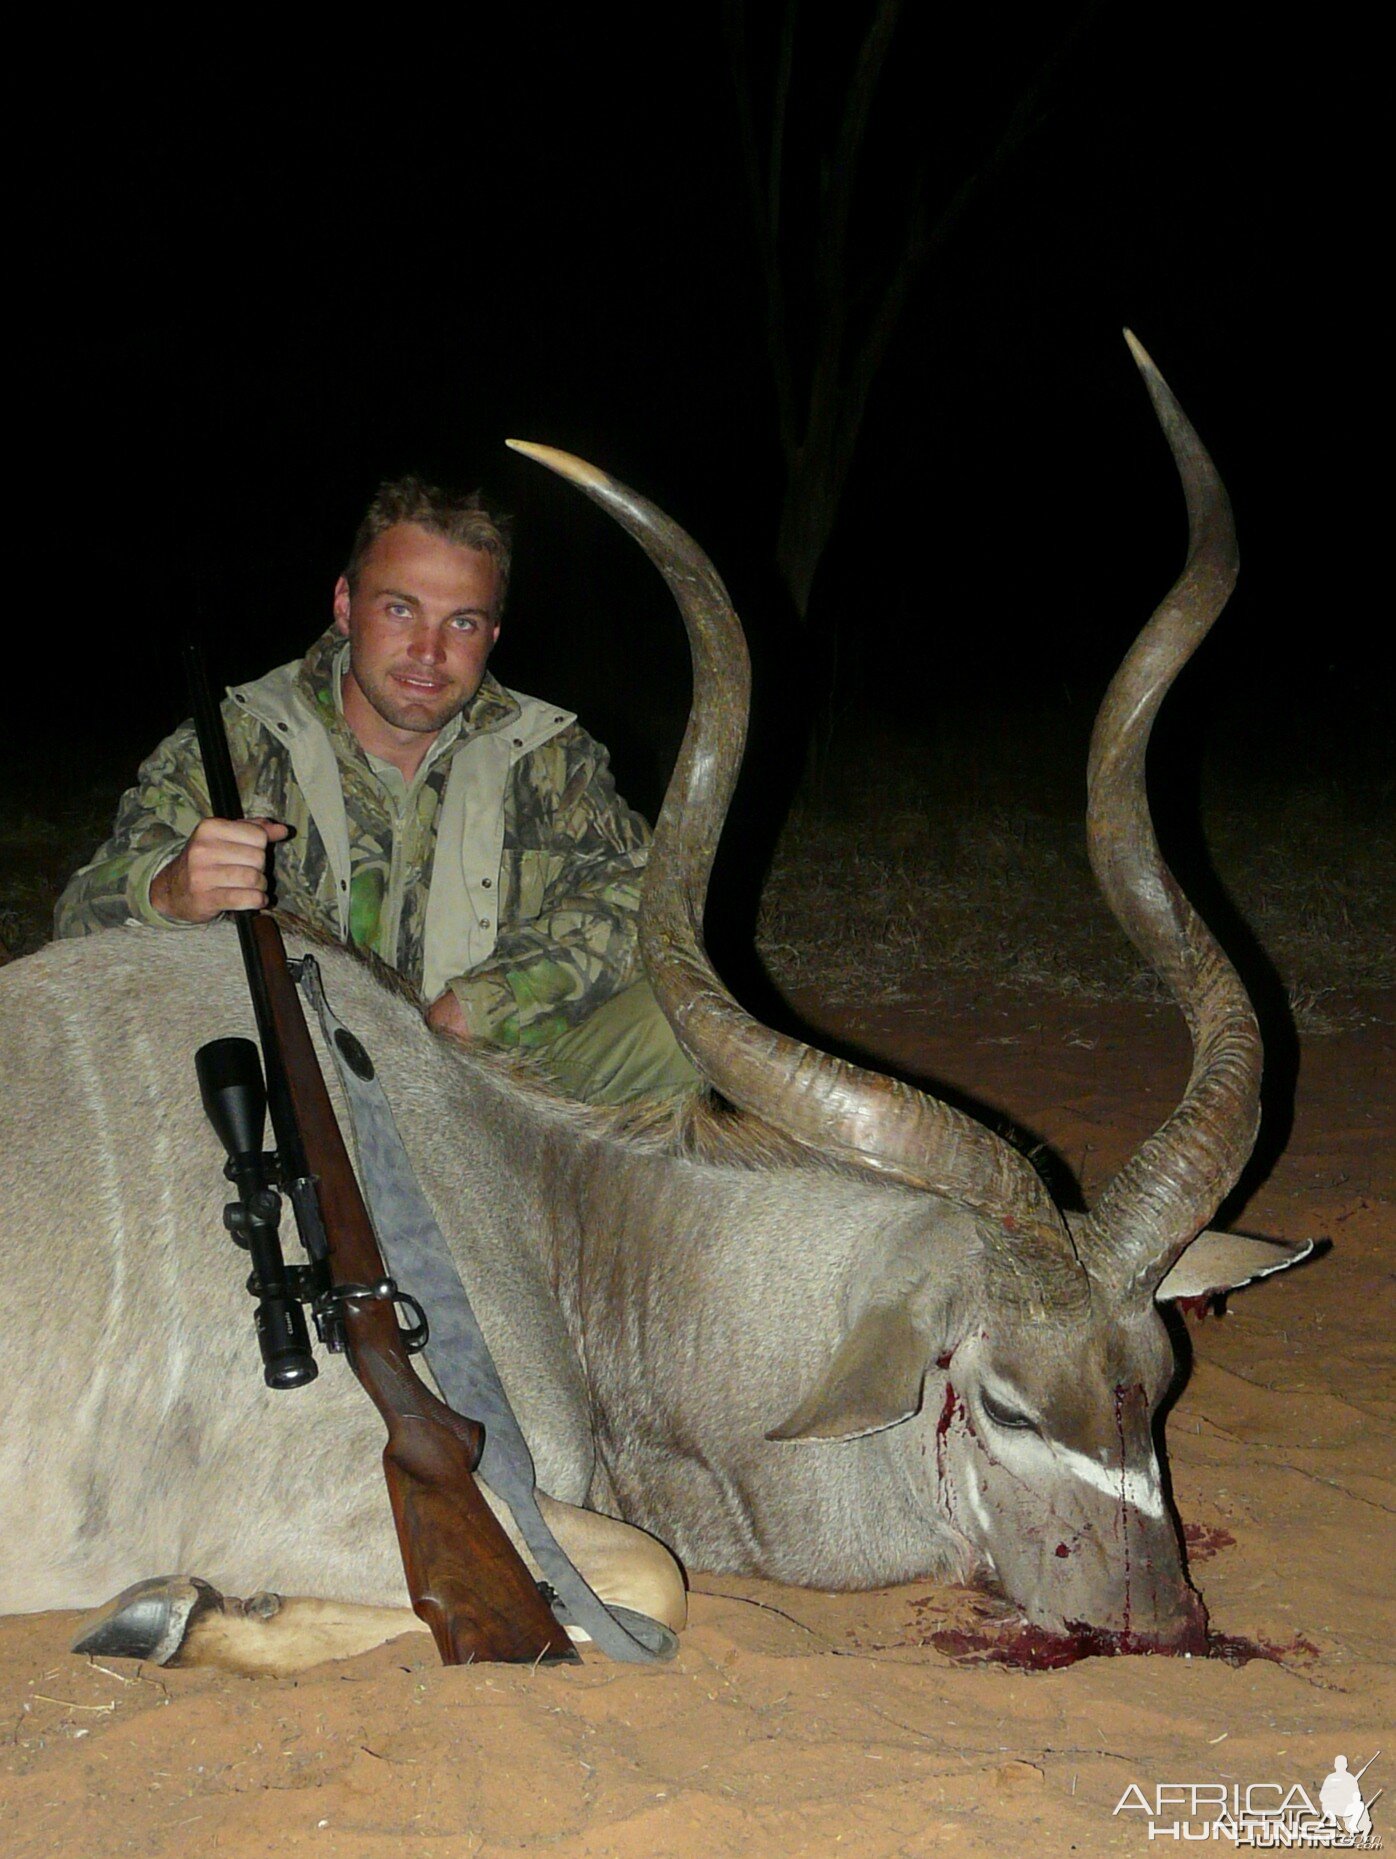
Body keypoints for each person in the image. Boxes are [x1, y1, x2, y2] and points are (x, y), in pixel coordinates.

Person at [54, 476, 699, 1106]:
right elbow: (79, 915)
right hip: (300, 1092)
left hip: (487, 1091)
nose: (428, 651)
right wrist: (169, 890)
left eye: (464, 623)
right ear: (344, 605)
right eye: (400, 609)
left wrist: (480, 1009)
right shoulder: (235, 744)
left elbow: (644, 895)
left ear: (494, 635)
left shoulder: (551, 755)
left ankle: (554, 1209)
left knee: (682, 1031)